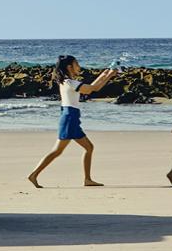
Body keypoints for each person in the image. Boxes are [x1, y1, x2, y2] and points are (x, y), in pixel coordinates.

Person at [27, 55, 117, 188]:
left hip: (71, 117)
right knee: (58, 151)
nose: (79, 66)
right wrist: (109, 75)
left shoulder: (67, 82)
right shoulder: (70, 83)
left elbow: (92, 87)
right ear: (69, 67)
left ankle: (87, 179)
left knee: (87, 147)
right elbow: (93, 89)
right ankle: (34, 174)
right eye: (76, 64)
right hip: (70, 118)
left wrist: (105, 74)